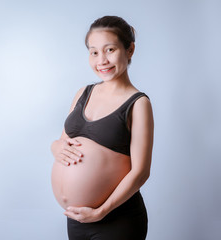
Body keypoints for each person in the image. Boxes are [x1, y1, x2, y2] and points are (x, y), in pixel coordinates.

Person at [51, 16, 154, 240]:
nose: (102, 60)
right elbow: (62, 142)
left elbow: (141, 172)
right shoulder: (83, 93)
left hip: (116, 219)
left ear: (130, 50)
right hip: (77, 219)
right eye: (94, 52)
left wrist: (100, 212)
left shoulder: (138, 104)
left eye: (110, 50)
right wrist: (54, 147)